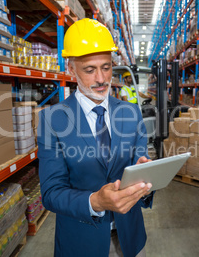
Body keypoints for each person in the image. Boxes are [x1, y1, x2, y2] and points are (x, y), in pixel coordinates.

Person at [37, 18, 154, 257]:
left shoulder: (130, 112)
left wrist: (147, 180)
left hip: (129, 236)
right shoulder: (53, 119)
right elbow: (51, 194)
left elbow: (141, 166)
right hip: (82, 242)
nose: (101, 79)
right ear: (71, 68)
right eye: (89, 70)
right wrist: (96, 202)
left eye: (107, 67)